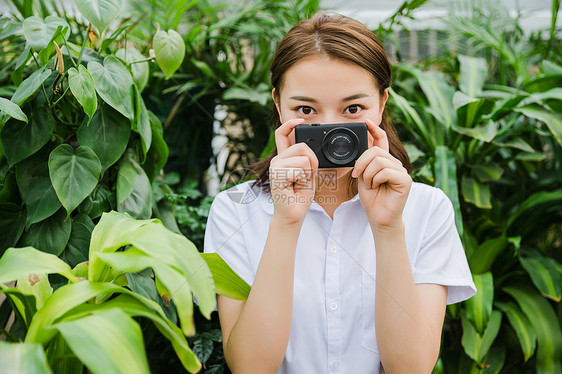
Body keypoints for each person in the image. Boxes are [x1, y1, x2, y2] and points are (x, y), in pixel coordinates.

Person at [204, 12, 476, 374]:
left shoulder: (427, 209)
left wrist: (388, 229)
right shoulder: (235, 210)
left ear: (381, 103)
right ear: (277, 104)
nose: (331, 130)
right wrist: (285, 222)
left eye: (352, 109)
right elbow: (250, 368)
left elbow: (411, 368)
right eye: (305, 109)